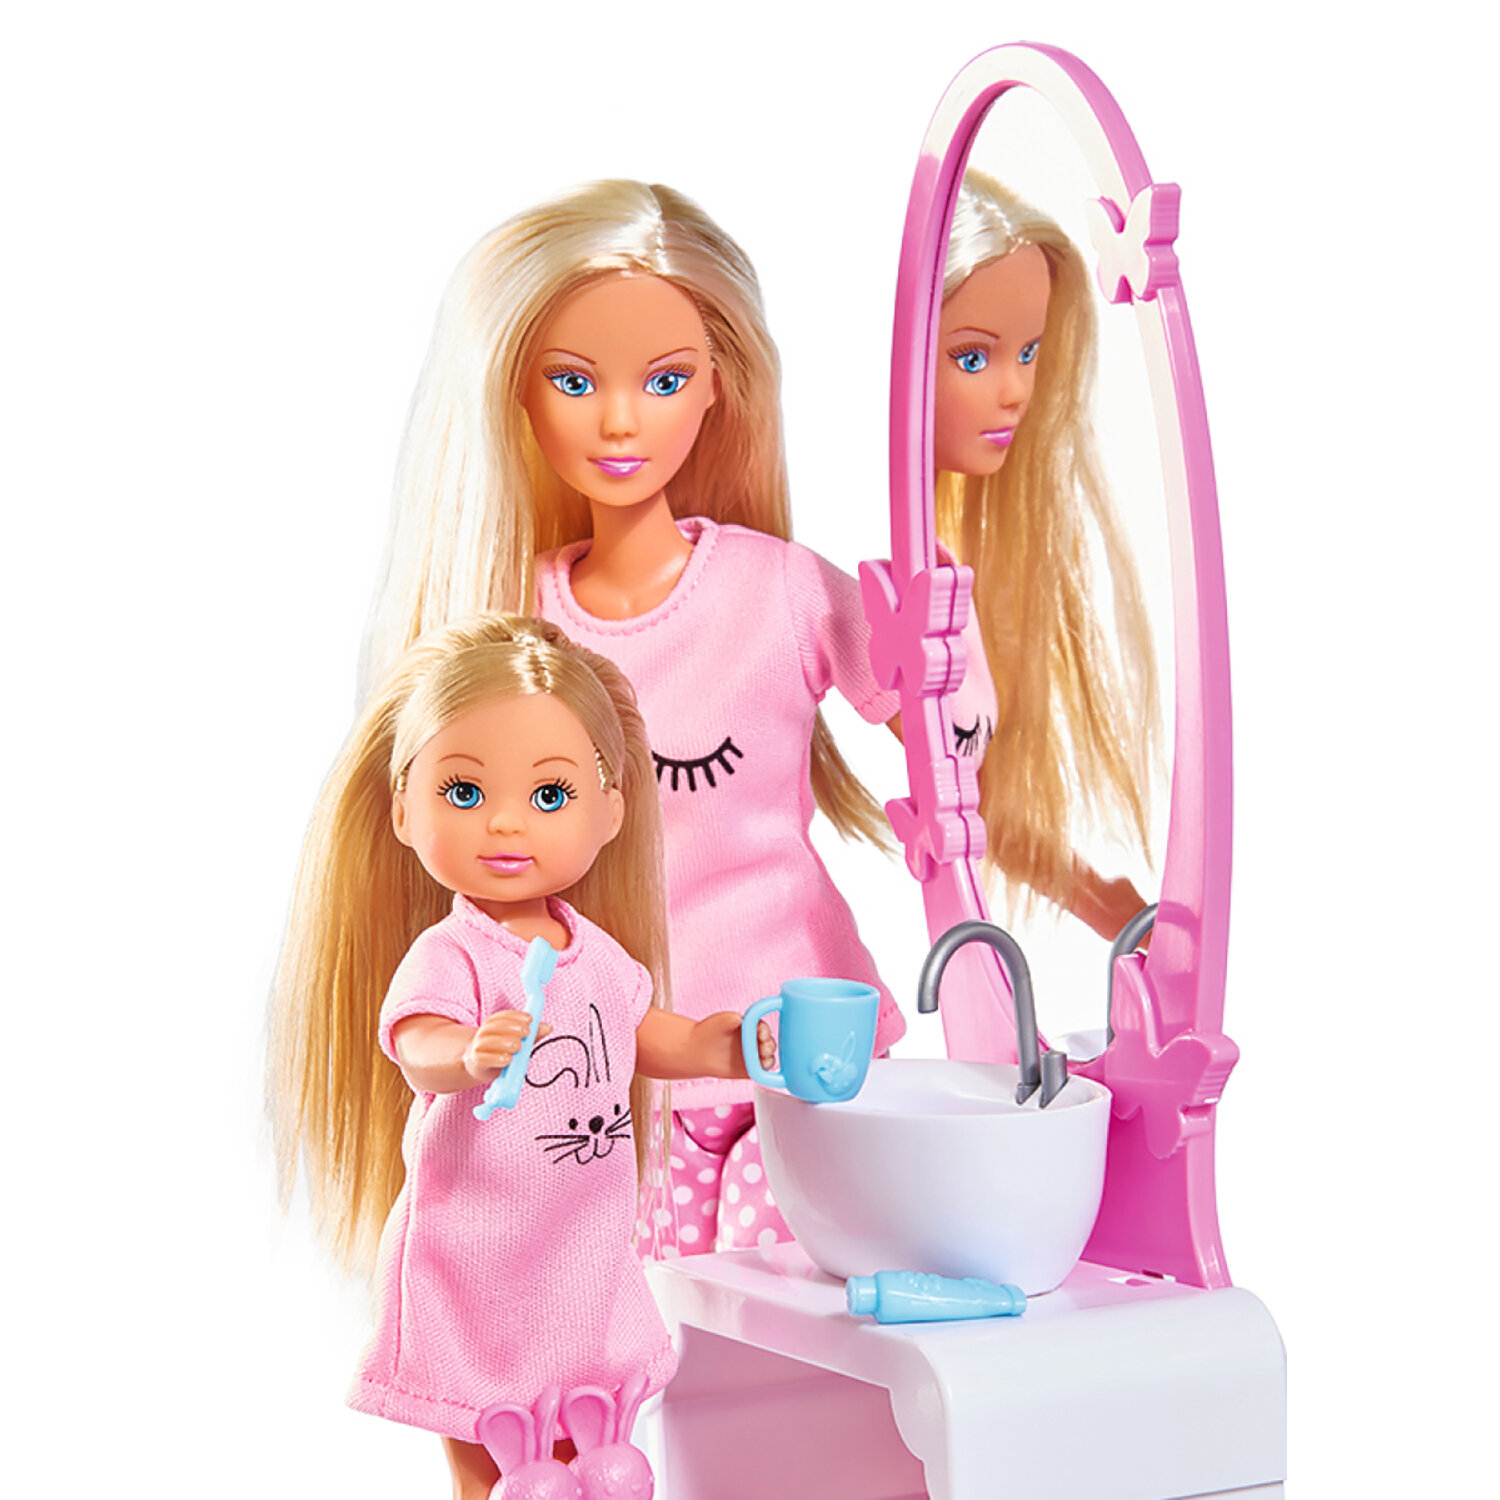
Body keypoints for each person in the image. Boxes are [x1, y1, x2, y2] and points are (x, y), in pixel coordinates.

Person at [359, 180, 905, 1258]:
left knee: (799, 1295)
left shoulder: (781, 590)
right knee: (656, 1310)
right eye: (574, 381)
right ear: (516, 394)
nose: (620, 421)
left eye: (664, 380)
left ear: (719, 387)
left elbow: (935, 724)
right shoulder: (515, 628)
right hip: (621, 1062)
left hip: (801, 1040)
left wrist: (949, 657)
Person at [269, 614, 769, 1498]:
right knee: (495, 1454)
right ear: (404, 807)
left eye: (550, 794)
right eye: (463, 792)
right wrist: (466, 1053)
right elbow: (415, 1044)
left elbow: (641, 1033)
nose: (505, 821)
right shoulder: (455, 955)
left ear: (610, 810)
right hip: (479, 1266)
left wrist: (718, 1047)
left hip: (581, 1262)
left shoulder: (595, 954)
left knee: (588, 1445)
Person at [934, 169, 1161, 939]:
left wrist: (1112, 908)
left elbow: (969, 803)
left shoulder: (946, 567)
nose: (1015, 391)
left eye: (1028, 353)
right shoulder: (865, 583)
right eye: (973, 358)